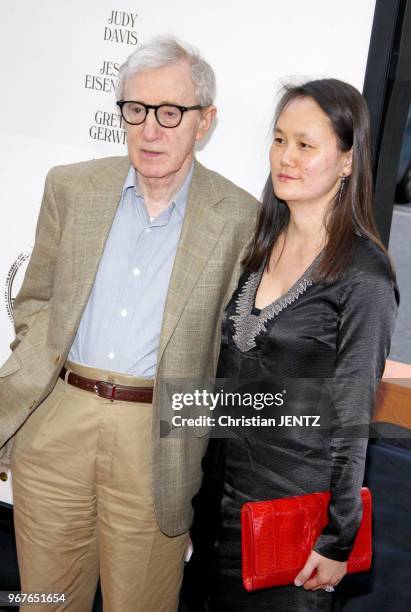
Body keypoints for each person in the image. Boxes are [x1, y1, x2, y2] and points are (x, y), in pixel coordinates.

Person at [0, 36, 257, 611]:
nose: (150, 129)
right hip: (56, 425)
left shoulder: (239, 217)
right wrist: (35, 377)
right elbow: (34, 297)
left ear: (205, 121)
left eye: (171, 113)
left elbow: (230, 355)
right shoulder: (71, 187)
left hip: (156, 442)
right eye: (136, 110)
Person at [188, 79, 399, 612]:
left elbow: (352, 423)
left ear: (348, 160)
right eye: (280, 140)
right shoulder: (262, 245)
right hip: (218, 514)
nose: (286, 157)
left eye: (306, 144)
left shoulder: (364, 276)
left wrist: (337, 540)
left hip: (294, 531)